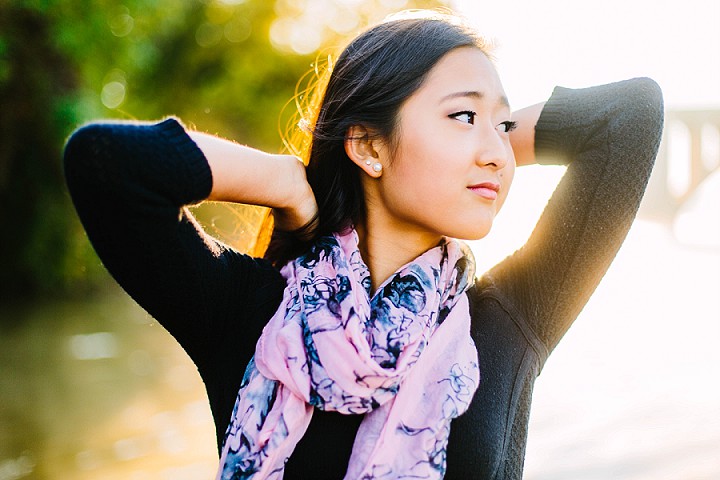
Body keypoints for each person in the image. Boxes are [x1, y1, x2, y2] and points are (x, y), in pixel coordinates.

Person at [63, 10, 664, 480]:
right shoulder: (250, 314)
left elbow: (631, 117)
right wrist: (287, 184)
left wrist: (489, 141)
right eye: (461, 116)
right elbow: (104, 165)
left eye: (502, 126)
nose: (497, 150)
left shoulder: (512, 317)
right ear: (369, 147)